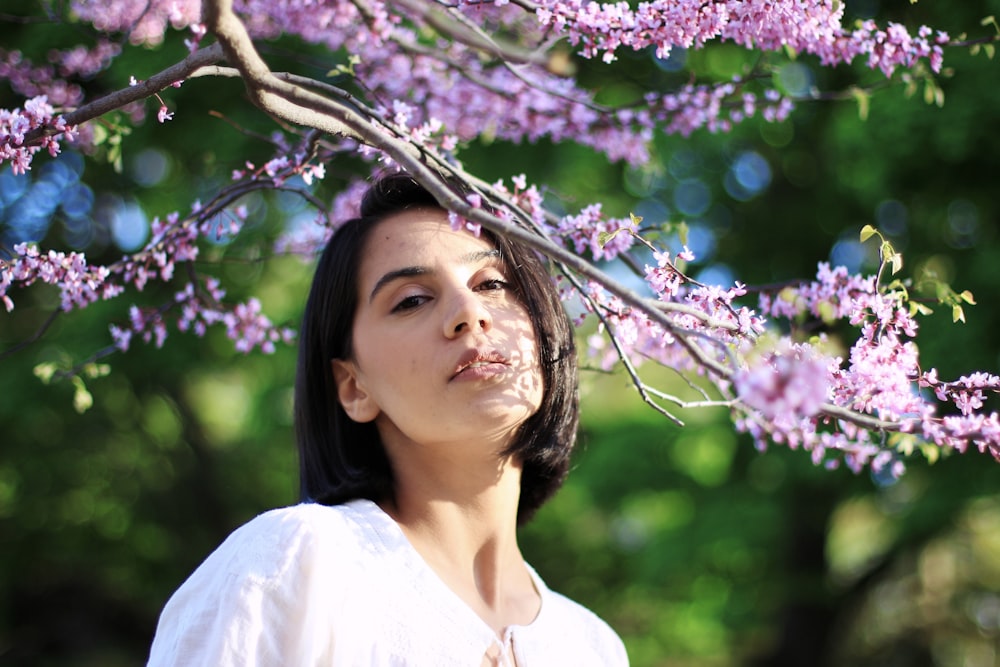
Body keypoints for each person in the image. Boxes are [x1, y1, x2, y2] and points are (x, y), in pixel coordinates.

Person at [146, 173, 629, 666]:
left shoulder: (593, 646)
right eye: (412, 300)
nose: (469, 312)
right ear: (355, 386)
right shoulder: (297, 564)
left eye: (493, 283)